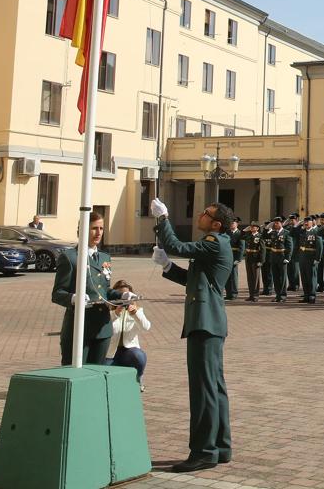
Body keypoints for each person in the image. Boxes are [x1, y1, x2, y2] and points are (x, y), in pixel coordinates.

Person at [150, 198, 234, 473]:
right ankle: (220, 447)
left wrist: (163, 219)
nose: (200, 215)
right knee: (214, 387)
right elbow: (194, 280)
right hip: (208, 322)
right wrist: (167, 267)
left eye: (206, 214)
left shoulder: (214, 242)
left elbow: (177, 246)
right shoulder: (214, 245)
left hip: (205, 323)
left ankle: (204, 451)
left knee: (203, 390)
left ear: (216, 223)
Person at [51, 211, 125, 365]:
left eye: (101, 228)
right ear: (83, 230)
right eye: (94, 228)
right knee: (76, 371)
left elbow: (104, 290)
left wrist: (122, 296)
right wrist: (73, 298)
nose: (99, 233)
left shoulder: (105, 257)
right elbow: (57, 293)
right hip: (79, 327)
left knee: (96, 373)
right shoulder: (70, 257)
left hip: (102, 327)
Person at [108, 279, 151, 391]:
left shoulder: (138, 310)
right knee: (106, 375)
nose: (123, 301)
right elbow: (102, 327)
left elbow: (146, 327)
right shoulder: (107, 311)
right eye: (121, 297)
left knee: (139, 356)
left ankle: (139, 377)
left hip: (128, 352)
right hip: (110, 353)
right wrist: (115, 313)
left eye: (126, 298)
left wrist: (135, 314)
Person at [263, 217, 294, 303]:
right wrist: (268, 226)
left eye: (277, 223)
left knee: (282, 277)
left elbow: (289, 247)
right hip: (274, 257)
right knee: (276, 277)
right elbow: (264, 235)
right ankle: (278, 295)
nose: (275, 224)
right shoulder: (272, 232)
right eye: (274, 223)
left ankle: (283, 295)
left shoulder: (286, 233)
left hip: (282, 257)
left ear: (281, 224)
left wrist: (288, 258)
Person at [296, 217, 324, 303]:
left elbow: (320, 246)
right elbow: (293, 232)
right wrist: (298, 224)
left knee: (311, 277)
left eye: (307, 222)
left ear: (312, 223)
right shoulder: (302, 232)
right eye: (304, 222)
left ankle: (312, 296)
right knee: (304, 277)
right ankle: (306, 295)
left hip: (311, 258)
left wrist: (317, 258)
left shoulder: (316, 232)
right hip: (302, 257)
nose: (306, 223)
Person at [243, 222, 265, 302]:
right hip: (248, 258)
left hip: (256, 258)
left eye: (254, 227)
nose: (252, 228)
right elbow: (241, 236)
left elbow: (263, 249)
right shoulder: (248, 236)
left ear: (257, 228)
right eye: (251, 227)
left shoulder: (260, 236)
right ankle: (251, 295)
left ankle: (255, 295)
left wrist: (261, 261)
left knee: (256, 278)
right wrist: (246, 230)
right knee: (250, 277)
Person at [224, 218, 243, 301]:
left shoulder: (240, 233)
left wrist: (239, 258)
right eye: (231, 223)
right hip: (227, 256)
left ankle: (234, 293)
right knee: (226, 275)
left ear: (237, 224)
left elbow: (242, 247)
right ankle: (228, 293)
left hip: (234, 256)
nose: (232, 224)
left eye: (233, 223)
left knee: (233, 276)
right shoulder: (227, 232)